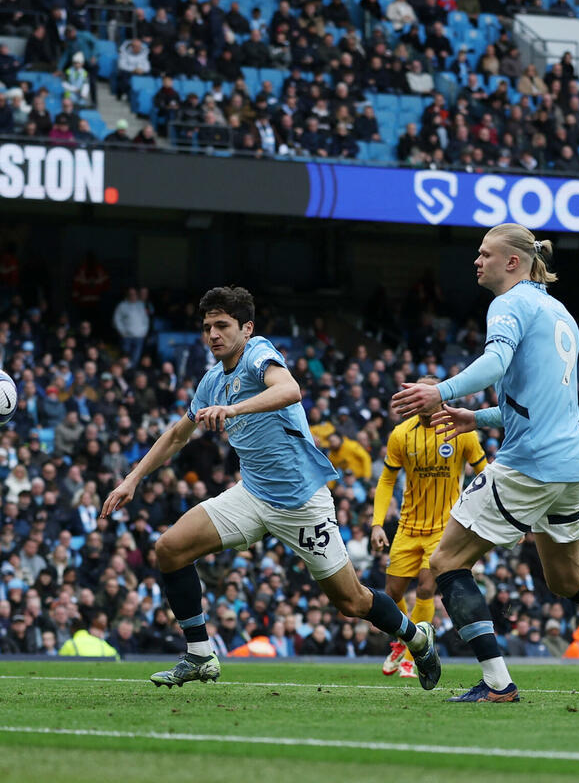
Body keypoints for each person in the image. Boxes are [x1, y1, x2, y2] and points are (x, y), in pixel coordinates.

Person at [391, 223, 579, 703]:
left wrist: (442, 391)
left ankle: (498, 685)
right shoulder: (559, 312)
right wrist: (478, 417)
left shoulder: (509, 303)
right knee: (567, 579)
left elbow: (494, 364)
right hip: (572, 465)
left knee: (446, 562)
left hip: (530, 464)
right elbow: (542, 402)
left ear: (512, 262)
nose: (477, 261)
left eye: (485, 253)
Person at [102, 286, 441, 689]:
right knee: (169, 549)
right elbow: (178, 435)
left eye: (222, 325)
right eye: (208, 327)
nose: (213, 334)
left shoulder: (258, 354)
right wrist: (132, 479)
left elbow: (290, 390)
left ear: (246, 328)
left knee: (352, 601)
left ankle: (417, 638)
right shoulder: (212, 381)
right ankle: (199, 655)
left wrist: (232, 408)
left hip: (302, 502)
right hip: (252, 495)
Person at [372, 374, 487, 679]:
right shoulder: (401, 434)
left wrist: (490, 513)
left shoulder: (462, 432)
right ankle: (403, 638)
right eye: (416, 395)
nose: (420, 400)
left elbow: (485, 472)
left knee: (425, 588)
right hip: (408, 527)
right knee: (392, 592)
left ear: (441, 397)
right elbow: (387, 480)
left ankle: (412, 657)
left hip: (444, 529)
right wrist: (377, 524)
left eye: (426, 394)